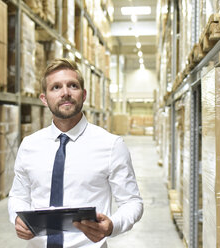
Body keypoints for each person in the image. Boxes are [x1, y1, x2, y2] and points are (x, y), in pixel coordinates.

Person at [8, 58, 143, 248]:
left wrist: (112, 225)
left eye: (73, 86)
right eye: (56, 87)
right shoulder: (30, 145)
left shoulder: (111, 145)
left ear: (84, 94)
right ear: (44, 99)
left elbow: (132, 202)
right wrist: (17, 217)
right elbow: (18, 196)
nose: (65, 93)